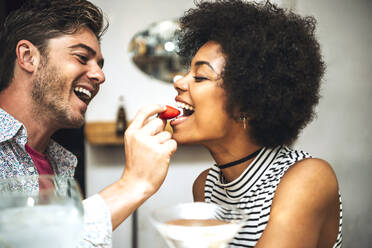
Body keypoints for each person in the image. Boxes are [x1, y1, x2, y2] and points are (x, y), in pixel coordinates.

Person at [0, 0, 176, 247]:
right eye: (82, 57)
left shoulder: (60, 162)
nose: (100, 75)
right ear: (28, 57)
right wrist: (133, 184)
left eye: (99, 64)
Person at [170, 0, 342, 247]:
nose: (178, 82)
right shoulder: (205, 187)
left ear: (248, 104)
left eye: (200, 76)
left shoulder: (308, 177)